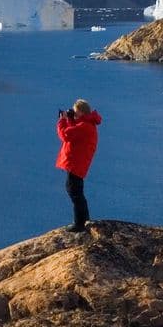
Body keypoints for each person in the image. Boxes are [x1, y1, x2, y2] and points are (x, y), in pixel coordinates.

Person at [55, 99, 101, 233]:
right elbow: (75, 129)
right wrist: (70, 119)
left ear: (80, 112)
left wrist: (62, 120)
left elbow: (66, 134)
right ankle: (84, 220)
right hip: (78, 162)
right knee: (76, 191)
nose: (73, 113)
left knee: (74, 192)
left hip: (76, 163)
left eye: (75, 112)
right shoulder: (87, 123)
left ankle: (80, 224)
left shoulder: (85, 126)